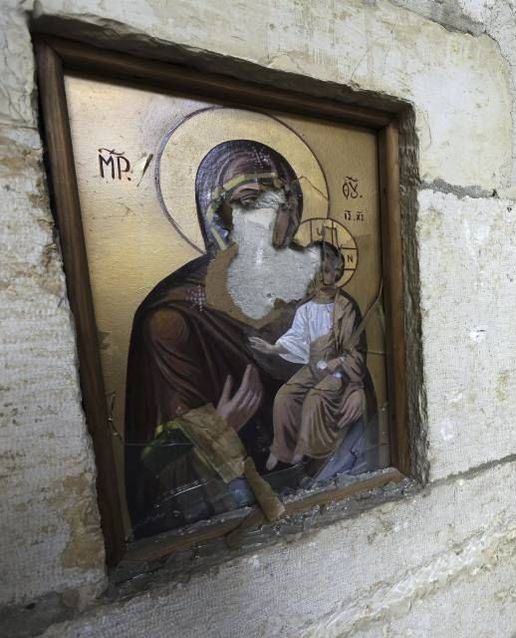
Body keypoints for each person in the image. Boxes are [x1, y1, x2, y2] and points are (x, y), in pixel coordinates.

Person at [125, 140, 328, 536]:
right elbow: (152, 471)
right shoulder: (175, 318)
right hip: (234, 502)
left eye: (282, 203)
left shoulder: (318, 299)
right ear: (216, 215)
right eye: (251, 201)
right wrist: (219, 426)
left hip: (323, 474)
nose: (272, 218)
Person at [249, 243, 372, 472]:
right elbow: (297, 337)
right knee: (285, 396)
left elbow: (355, 351)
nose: (322, 278)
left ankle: (304, 449)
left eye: (326, 271)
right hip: (314, 365)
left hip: (338, 369)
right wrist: (273, 349)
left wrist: (342, 366)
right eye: (316, 271)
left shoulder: (345, 308)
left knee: (314, 398)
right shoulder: (306, 308)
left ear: (337, 272)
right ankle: (281, 449)